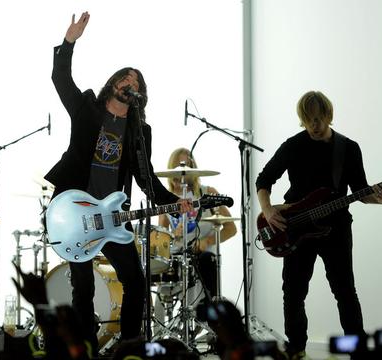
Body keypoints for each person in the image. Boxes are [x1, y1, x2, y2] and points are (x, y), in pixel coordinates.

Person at [44, 12, 192, 352]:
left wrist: (174, 200)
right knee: (82, 286)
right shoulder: (86, 110)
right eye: (126, 79)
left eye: (137, 83)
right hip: (76, 210)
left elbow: (147, 179)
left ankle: (129, 346)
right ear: (113, 84)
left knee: (135, 281)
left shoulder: (140, 133)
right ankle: (86, 348)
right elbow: (60, 78)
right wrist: (69, 41)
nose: (132, 84)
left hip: (110, 219)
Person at [255, 91, 382, 360]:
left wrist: (379, 199)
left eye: (318, 119)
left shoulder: (348, 148)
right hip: (294, 227)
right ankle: (297, 348)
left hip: (336, 228)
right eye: (308, 120)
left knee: (344, 290)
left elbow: (361, 192)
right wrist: (268, 211)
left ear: (329, 115)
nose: (314, 126)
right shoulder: (292, 146)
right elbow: (264, 180)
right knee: (293, 291)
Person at [158, 148, 237, 303]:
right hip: (178, 256)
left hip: (203, 256)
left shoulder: (207, 193)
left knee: (207, 261)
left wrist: (208, 241)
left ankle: (211, 311)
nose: (183, 174)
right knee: (160, 278)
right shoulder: (166, 200)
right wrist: (174, 235)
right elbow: (161, 238)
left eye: (187, 166)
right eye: (178, 168)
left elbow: (231, 229)